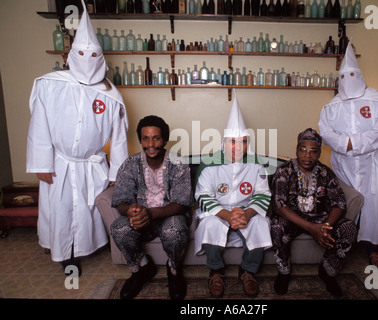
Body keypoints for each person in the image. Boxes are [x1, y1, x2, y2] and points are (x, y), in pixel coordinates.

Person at [26, 1, 128, 275]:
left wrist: (117, 172)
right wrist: (41, 163)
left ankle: (89, 246)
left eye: (92, 54)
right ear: (71, 54)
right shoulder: (51, 85)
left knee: (89, 210)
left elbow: (119, 137)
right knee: (60, 207)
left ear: (101, 57)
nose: (86, 59)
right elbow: (39, 125)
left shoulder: (110, 94)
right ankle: (64, 253)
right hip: (59, 163)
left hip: (91, 163)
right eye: (81, 53)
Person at [318, 42, 378, 268]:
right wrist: (344, 145)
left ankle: (372, 247)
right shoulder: (332, 106)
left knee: (373, 204)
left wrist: (350, 143)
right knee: (347, 202)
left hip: (373, 163)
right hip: (344, 163)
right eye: (345, 76)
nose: (349, 79)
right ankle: (347, 241)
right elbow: (325, 132)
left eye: (353, 75)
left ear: (360, 75)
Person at [194, 91, 272, 298]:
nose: (238, 147)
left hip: (246, 211)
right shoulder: (210, 164)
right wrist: (227, 215)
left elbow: (263, 195)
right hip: (219, 212)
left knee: (261, 224)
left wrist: (246, 215)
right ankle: (216, 271)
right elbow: (203, 196)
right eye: (233, 142)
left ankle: (248, 270)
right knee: (209, 224)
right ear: (224, 142)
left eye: (243, 141)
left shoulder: (257, 165)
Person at [110, 115, 193, 300]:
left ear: (164, 139)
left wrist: (150, 213)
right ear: (140, 140)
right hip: (141, 220)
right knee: (119, 228)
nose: (151, 144)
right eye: (145, 138)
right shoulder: (129, 164)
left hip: (170, 217)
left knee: (175, 230)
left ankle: (173, 270)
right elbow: (121, 200)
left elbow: (181, 203)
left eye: (156, 138)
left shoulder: (178, 163)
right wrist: (131, 210)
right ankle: (142, 269)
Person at [270, 128, 358, 296]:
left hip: (321, 218)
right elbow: (279, 205)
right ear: (296, 150)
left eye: (313, 151)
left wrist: (325, 226)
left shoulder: (326, 173)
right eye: (303, 150)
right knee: (276, 227)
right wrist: (311, 228)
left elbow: (339, 203)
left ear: (318, 154)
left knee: (349, 228)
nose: (307, 155)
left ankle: (328, 271)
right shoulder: (284, 171)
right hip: (293, 219)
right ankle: (284, 272)